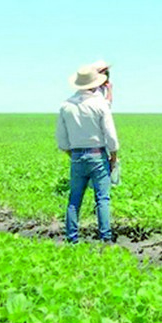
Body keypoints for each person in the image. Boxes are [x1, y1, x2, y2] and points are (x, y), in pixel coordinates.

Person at [55, 64, 120, 243]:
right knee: (102, 199)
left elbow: (61, 140)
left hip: (76, 156)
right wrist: (113, 157)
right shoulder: (100, 104)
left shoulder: (66, 106)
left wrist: (73, 154)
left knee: (74, 200)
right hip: (98, 155)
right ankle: (105, 238)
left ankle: (72, 239)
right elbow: (111, 136)